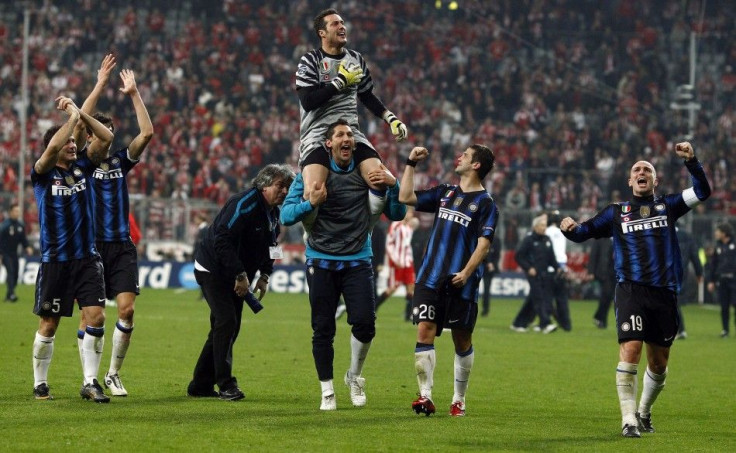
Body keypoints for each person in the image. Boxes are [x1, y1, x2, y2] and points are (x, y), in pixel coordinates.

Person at [560, 142, 711, 437]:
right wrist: (570, 228)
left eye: (648, 170)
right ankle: (628, 419)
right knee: (630, 349)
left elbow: (703, 191)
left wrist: (692, 161)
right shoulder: (617, 212)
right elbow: (584, 232)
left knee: (659, 364)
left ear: (656, 181)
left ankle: (643, 411)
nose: (642, 172)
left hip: (664, 294)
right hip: (630, 290)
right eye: (637, 170)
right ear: (630, 181)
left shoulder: (669, 206)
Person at [280, 119, 405, 411]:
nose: (347, 138)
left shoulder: (368, 174)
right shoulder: (311, 177)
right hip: (321, 259)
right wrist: (310, 204)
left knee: (365, 323)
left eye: (350, 134)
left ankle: (354, 375)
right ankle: (327, 390)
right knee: (322, 328)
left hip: (358, 259)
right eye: (340, 135)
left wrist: (394, 184)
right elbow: (286, 216)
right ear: (329, 144)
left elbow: (396, 213)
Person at [398, 143, 499, 417]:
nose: (459, 157)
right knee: (424, 332)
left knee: (461, 340)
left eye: (465, 155)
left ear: (476, 165)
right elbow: (405, 196)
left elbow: (484, 244)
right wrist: (410, 164)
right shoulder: (446, 193)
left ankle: (458, 398)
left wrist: (466, 273)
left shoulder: (486, 204)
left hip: (461, 283)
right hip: (430, 278)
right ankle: (425, 396)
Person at [75, 55, 154, 397]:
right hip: (91, 246)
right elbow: (78, 119)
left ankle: (112, 374)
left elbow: (147, 132)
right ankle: (88, 379)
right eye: (96, 134)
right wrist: (100, 84)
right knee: (90, 316)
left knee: (127, 309)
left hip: (121, 245)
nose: (103, 140)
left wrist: (134, 93)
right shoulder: (81, 163)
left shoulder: (121, 160)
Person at [31, 95, 113, 402]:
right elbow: (53, 147)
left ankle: (90, 381)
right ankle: (40, 382)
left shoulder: (83, 168)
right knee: (49, 324)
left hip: (86, 259)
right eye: (68, 142)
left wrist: (80, 114)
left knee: (96, 316)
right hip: (56, 260)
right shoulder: (41, 173)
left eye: (72, 143)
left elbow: (106, 137)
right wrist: (71, 119)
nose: (72, 145)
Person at [189, 164, 295, 401]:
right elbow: (222, 239)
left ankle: (200, 385)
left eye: (288, 187)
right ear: (264, 184)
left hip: (237, 274)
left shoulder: (274, 213)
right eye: (280, 185)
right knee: (226, 322)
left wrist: (265, 275)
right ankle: (226, 385)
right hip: (213, 269)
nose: (285, 192)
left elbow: (272, 247)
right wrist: (240, 274)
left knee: (227, 326)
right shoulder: (244, 204)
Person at [295, 8, 407, 228]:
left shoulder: (355, 58)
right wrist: (338, 83)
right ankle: (311, 233)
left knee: (378, 177)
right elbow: (307, 101)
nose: (342, 27)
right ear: (322, 33)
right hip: (317, 133)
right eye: (335, 24)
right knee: (314, 190)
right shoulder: (310, 60)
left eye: (342, 22)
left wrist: (390, 118)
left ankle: (366, 230)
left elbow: (366, 95)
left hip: (349, 131)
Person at [510, 214, 559, 334]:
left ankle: (518, 323)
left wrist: (558, 268)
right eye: (541, 225)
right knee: (539, 298)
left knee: (532, 300)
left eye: (544, 226)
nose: (544, 228)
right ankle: (545, 324)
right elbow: (519, 256)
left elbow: (551, 258)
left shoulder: (547, 239)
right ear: (535, 227)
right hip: (533, 274)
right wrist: (528, 268)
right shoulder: (529, 240)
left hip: (545, 273)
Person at [377, 207, 420, 321]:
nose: (410, 215)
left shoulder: (408, 227)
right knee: (392, 288)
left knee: (411, 287)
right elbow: (389, 243)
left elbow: (407, 243)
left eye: (411, 213)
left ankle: (408, 315)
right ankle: (374, 308)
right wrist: (395, 259)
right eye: (409, 213)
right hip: (397, 262)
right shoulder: (396, 225)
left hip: (407, 262)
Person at [706, 222, 736, 338]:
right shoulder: (717, 246)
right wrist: (711, 281)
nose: (716, 233)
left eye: (718, 231)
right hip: (722, 280)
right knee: (724, 306)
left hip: (734, 280)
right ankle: (725, 330)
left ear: (724, 233)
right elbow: (713, 265)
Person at [675, 226, 703, 339]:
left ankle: (680, 330)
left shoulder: (661, 232)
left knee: (670, 301)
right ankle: (679, 330)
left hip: (666, 273)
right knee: (672, 301)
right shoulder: (686, 236)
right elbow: (694, 255)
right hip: (680, 273)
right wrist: (699, 272)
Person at [1, 203, 33, 302]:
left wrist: (27, 247)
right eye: (15, 211)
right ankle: (12, 295)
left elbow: (23, 239)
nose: (17, 213)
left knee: (15, 275)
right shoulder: (4, 226)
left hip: (15, 254)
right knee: (10, 272)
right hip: (5, 254)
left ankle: (9, 295)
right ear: (10, 212)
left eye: (18, 211)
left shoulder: (20, 225)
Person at [546, 211, 571, 331]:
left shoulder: (547, 232)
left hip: (550, 268)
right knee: (562, 298)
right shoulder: (563, 232)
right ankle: (566, 324)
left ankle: (550, 321)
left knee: (547, 297)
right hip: (562, 266)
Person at [588, 237, 616, 329]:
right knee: (606, 294)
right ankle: (600, 318)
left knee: (609, 297)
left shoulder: (619, 237)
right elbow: (593, 255)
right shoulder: (600, 238)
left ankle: (601, 319)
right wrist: (591, 271)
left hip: (616, 272)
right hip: (604, 272)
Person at [480, 234, 501, 317]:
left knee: (487, 290)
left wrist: (493, 264)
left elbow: (497, 254)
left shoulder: (496, 240)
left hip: (489, 269)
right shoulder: (482, 237)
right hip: (478, 266)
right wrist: (488, 262)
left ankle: (485, 310)